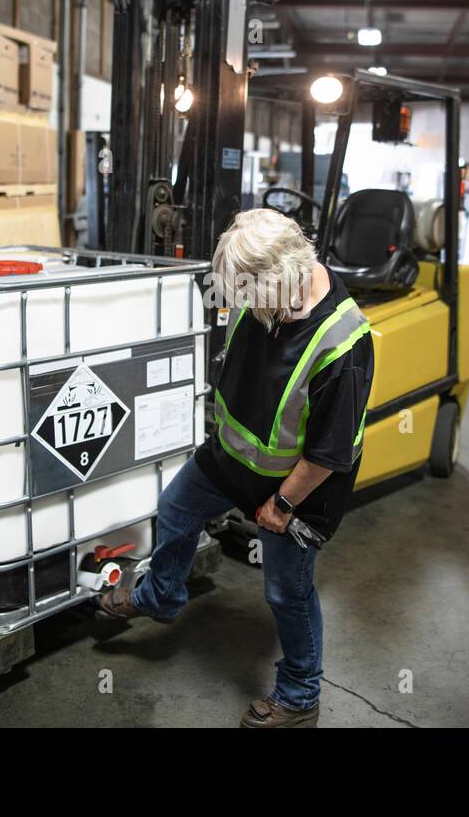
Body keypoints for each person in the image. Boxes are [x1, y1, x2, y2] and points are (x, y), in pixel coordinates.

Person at [100, 208, 374, 728]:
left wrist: (282, 505)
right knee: (175, 509)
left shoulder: (344, 346)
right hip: (231, 458)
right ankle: (161, 595)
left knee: (285, 593)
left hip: (299, 492)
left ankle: (299, 696)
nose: (244, 305)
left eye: (251, 295)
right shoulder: (265, 293)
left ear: (287, 278)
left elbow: (327, 454)